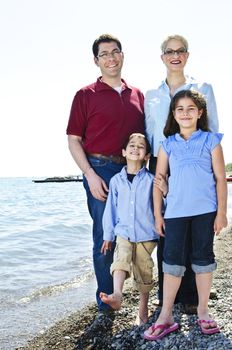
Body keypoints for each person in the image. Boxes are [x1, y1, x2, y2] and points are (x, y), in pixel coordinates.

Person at [66, 34, 145, 322]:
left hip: (133, 171)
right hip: (100, 170)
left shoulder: (138, 94)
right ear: (96, 61)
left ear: (122, 55)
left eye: (115, 52)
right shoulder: (85, 95)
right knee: (105, 236)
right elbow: (74, 139)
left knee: (137, 233)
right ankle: (106, 300)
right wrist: (89, 175)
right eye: (104, 54)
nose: (111, 58)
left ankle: (133, 291)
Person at [144, 89, 227, 341]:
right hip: (175, 213)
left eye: (191, 108)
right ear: (173, 114)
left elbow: (221, 178)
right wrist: (158, 215)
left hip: (205, 211)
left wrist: (222, 212)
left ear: (200, 112)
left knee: (203, 259)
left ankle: (203, 310)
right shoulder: (167, 144)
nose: (185, 113)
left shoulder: (211, 141)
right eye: (180, 109)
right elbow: (159, 181)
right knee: (172, 263)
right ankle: (166, 315)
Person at [145, 34, 219, 312]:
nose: (175, 55)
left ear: (187, 55)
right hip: (162, 163)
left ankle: (191, 297)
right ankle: (167, 296)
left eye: (180, 51)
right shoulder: (151, 95)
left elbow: (212, 127)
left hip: (196, 162)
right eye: (169, 51)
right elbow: (150, 132)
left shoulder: (203, 88)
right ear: (162, 56)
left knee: (194, 228)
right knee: (168, 228)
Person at [99, 133, 163, 325]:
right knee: (120, 259)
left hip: (146, 235)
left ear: (147, 156)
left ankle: (142, 310)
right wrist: (108, 235)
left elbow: (160, 206)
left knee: (144, 270)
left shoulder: (152, 180)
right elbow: (110, 210)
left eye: (141, 146)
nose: (136, 148)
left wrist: (165, 191)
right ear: (124, 152)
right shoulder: (116, 181)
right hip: (123, 232)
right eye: (132, 145)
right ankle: (118, 294)